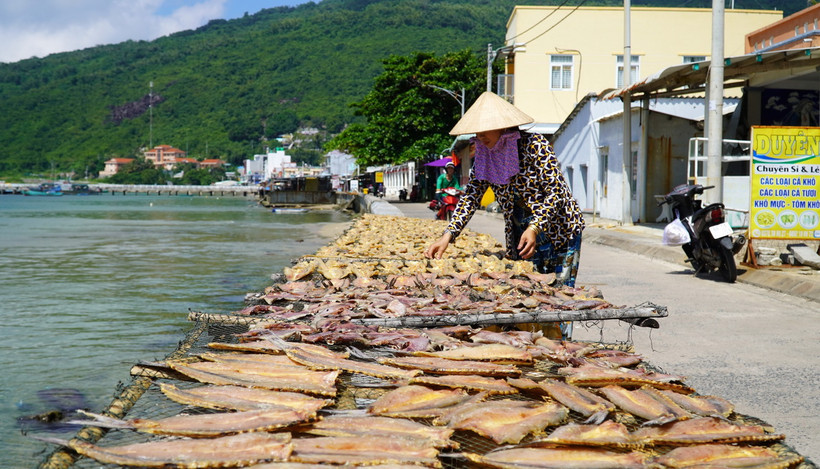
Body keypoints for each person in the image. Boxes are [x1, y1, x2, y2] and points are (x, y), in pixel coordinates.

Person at [424, 91, 585, 338]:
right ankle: (534, 346)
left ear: (503, 126)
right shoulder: (484, 155)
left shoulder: (535, 146)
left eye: (484, 130)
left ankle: (561, 347)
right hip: (520, 230)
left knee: (558, 296)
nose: (479, 137)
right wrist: (448, 235)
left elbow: (556, 193)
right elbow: (470, 196)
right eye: (476, 132)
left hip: (558, 229)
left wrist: (535, 227)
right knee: (528, 295)